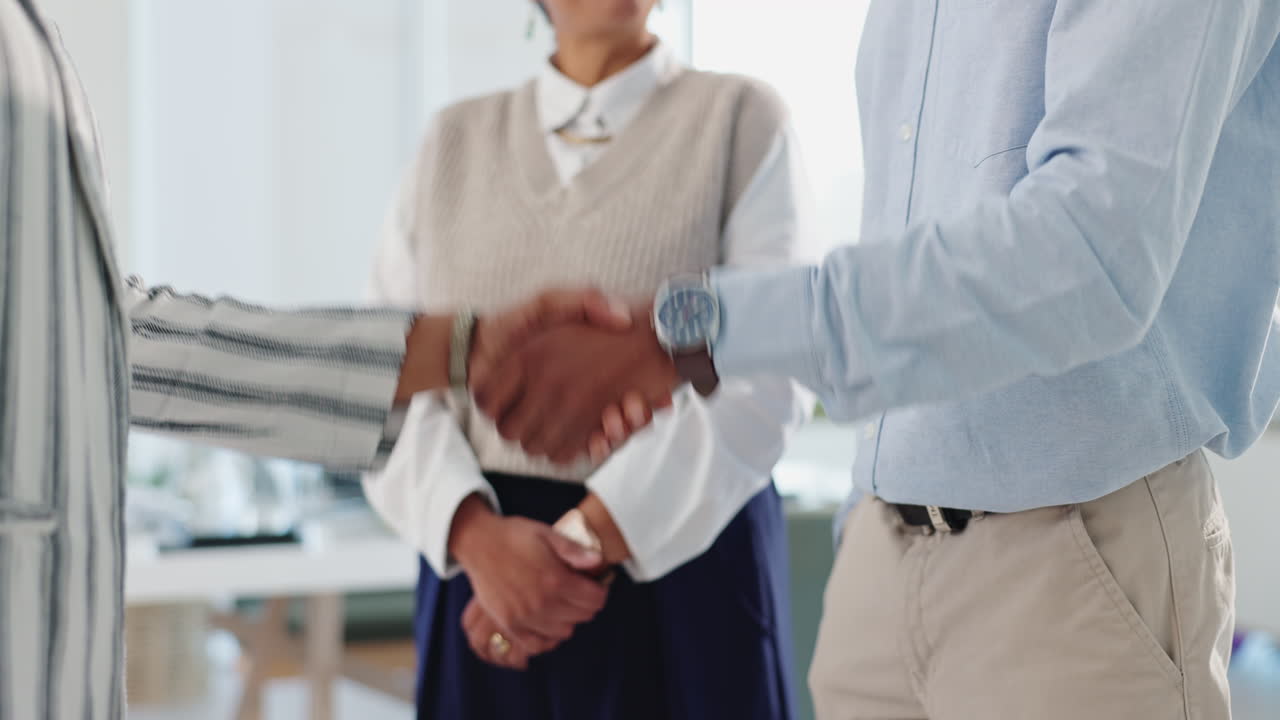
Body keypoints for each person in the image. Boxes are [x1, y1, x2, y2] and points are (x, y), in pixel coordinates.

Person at [474, 2, 1280, 719]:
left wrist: (689, 334)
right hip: (883, 559)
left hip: (1075, 556)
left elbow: (1088, 257)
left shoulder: (738, 116)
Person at [0, 1, 639, 717]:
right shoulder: (455, 139)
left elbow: (93, 330)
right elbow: (83, 336)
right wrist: (471, 523)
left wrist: (463, 351)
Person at [361, 1, 817, 717]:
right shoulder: (451, 140)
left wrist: (589, 539)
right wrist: (474, 534)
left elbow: (771, 364)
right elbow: (382, 373)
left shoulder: (739, 119)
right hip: (484, 571)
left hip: (684, 560)